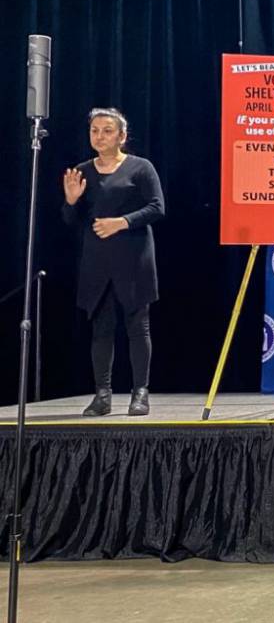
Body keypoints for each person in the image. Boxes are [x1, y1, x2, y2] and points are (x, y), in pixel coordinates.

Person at [62, 108, 165, 416]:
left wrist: (122, 221)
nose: (100, 136)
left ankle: (140, 392)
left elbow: (157, 207)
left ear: (122, 136)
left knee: (137, 326)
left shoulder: (140, 167)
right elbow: (71, 221)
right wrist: (70, 201)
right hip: (97, 261)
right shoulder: (82, 170)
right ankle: (103, 395)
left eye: (107, 131)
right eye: (95, 130)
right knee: (101, 329)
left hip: (134, 258)